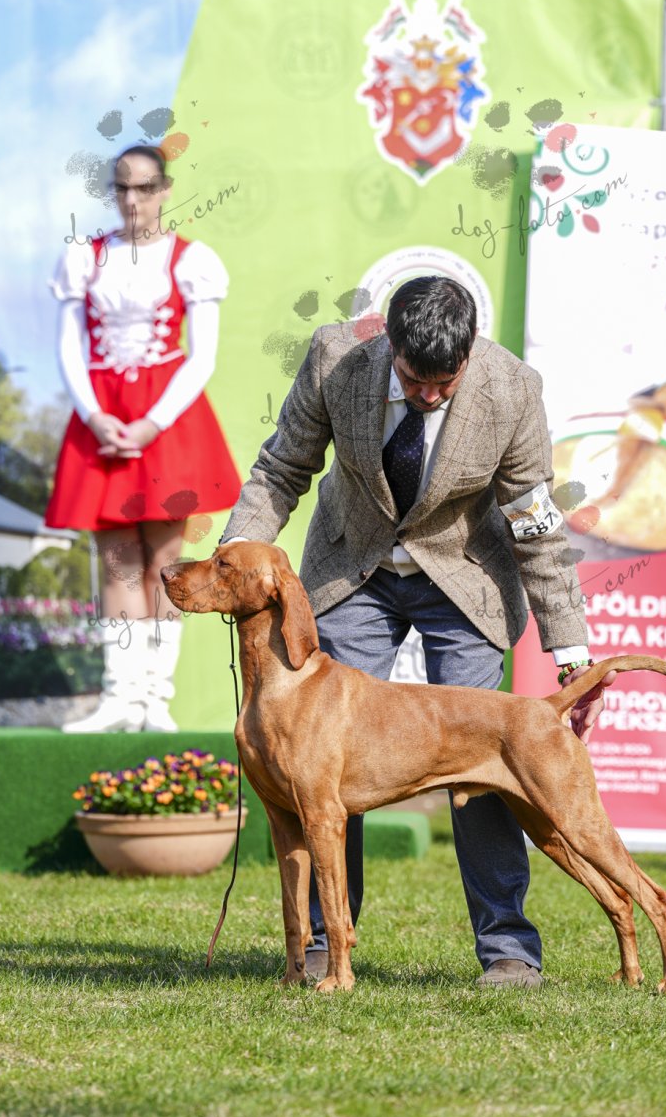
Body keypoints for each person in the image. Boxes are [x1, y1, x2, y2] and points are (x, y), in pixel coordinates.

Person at [221, 274, 612, 988]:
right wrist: (236, 556)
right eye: (413, 380)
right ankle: (324, 943)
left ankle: (507, 949)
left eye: (445, 382)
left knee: (485, 763)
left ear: (470, 353)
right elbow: (281, 470)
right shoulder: (335, 360)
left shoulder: (511, 389)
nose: (428, 395)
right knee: (321, 764)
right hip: (353, 572)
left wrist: (571, 649)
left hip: (464, 580)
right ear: (389, 345)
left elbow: (534, 523)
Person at [46, 143, 241, 733]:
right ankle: (120, 696)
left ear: (165, 190)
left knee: (164, 563)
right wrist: (93, 416)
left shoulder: (191, 259)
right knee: (117, 565)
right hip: (103, 416)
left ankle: (155, 698)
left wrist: (154, 421)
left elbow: (202, 356)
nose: (132, 199)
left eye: (145, 187)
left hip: (168, 420)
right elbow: (70, 347)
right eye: (122, 187)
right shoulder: (84, 257)